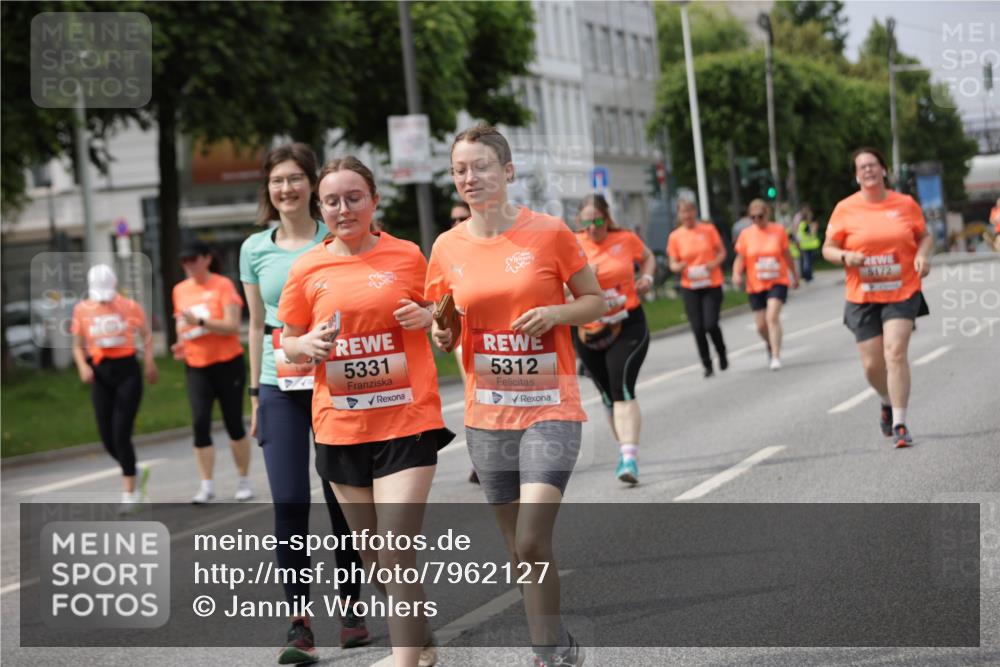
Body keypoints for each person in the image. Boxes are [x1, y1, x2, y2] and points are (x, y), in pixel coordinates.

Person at [426, 123, 604, 667]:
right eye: (460, 169)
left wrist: (556, 312)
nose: (469, 177)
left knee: (530, 540)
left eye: (480, 166)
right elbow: (446, 326)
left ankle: (546, 653)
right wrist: (442, 333)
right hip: (488, 414)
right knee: (514, 549)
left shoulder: (548, 232)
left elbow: (595, 301)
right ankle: (557, 645)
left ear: (507, 171)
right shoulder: (446, 247)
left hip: (551, 406)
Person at [279, 155, 452, 667]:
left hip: (407, 420)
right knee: (376, 560)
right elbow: (285, 342)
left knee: (396, 547)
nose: (343, 208)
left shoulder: (408, 256)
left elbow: (447, 319)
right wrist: (306, 342)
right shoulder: (308, 266)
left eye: (354, 197)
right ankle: (418, 637)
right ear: (321, 208)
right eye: (331, 201)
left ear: (374, 201)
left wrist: (429, 316)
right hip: (340, 426)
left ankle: (404, 660)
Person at [240, 143, 369, 663]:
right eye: (277, 181)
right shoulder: (255, 248)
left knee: (342, 501)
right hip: (278, 384)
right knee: (290, 501)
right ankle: (299, 623)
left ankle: (352, 609)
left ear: (312, 185)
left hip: (336, 381)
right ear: (268, 190)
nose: (286, 189)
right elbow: (255, 325)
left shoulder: (334, 235)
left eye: (295, 179)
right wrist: (254, 395)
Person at [822, 147, 932, 448]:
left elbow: (924, 236)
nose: (868, 170)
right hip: (862, 294)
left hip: (902, 289)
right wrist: (845, 255)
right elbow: (827, 248)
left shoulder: (905, 204)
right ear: (856, 175)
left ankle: (899, 422)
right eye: (862, 167)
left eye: (873, 164)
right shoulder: (845, 209)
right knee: (872, 364)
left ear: (883, 170)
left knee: (894, 353)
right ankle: (885, 401)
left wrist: (923, 256)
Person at [572, 193, 654, 485]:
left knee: (622, 387)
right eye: (586, 223)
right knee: (607, 395)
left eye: (597, 221)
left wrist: (647, 278)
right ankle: (625, 449)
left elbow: (647, 257)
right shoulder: (572, 245)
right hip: (588, 331)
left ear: (607, 218)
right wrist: (584, 280)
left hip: (627, 324)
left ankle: (629, 456)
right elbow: (557, 289)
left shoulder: (626, 239)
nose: (592, 228)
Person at [171, 239, 252, 503]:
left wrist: (202, 322)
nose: (188, 266)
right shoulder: (180, 290)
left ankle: (243, 480)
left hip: (227, 363)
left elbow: (231, 325)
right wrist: (180, 343)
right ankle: (206, 484)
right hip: (196, 366)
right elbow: (181, 324)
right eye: (184, 262)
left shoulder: (222, 285)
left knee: (233, 423)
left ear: (206, 259)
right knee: (199, 423)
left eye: (193, 260)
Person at [71, 264, 158, 510]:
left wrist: (149, 362)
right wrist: (82, 366)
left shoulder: (129, 306)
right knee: (107, 438)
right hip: (100, 373)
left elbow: (146, 335)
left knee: (121, 433)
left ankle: (130, 494)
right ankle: (134, 470)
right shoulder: (82, 310)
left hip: (127, 371)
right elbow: (77, 344)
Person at [733, 199, 800, 370]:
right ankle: (771, 343)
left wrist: (794, 275)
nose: (756, 220)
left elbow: (786, 255)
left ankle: (776, 356)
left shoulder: (778, 231)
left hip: (777, 281)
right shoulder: (746, 234)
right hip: (755, 284)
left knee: (772, 317)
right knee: (761, 325)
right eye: (752, 217)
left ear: (767, 214)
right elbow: (740, 258)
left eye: (760, 216)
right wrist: (736, 274)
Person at [667, 199, 729, 378]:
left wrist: (713, 264)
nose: (687, 215)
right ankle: (707, 363)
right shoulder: (675, 236)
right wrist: (678, 267)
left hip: (711, 282)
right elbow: (672, 263)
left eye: (690, 211)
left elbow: (722, 252)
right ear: (679, 215)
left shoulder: (708, 230)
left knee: (710, 323)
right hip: (691, 286)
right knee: (697, 328)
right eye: (683, 212)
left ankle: (721, 351)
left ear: (695, 211)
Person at [448, 201, 481, 485]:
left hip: (502, 339)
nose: (457, 223)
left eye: (463, 217)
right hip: (465, 337)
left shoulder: (489, 245)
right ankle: (479, 459)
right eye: (453, 219)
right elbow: (440, 298)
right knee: (473, 392)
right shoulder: (449, 251)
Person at [795, 204, 821, 283]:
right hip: (806, 245)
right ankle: (807, 276)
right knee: (807, 262)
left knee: (808, 261)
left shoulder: (804, 224)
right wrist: (813, 227)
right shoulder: (805, 225)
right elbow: (810, 233)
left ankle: (808, 275)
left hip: (807, 245)